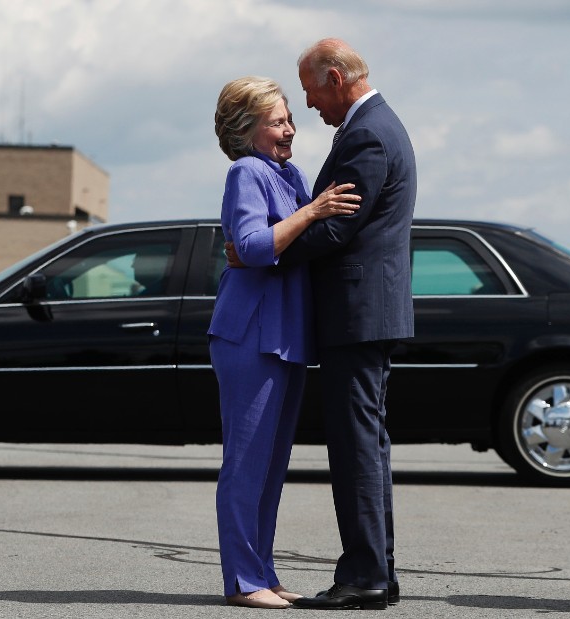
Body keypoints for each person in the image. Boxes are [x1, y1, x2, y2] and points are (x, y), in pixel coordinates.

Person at [209, 76, 360, 609]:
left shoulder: (287, 173)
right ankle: (243, 581)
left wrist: (308, 215)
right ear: (245, 130)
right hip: (250, 333)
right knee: (246, 463)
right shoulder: (246, 171)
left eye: (289, 118)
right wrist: (313, 211)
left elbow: (295, 244)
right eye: (277, 121)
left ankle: (263, 573)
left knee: (271, 467)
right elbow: (251, 247)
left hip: (286, 336)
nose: (290, 129)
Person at [278, 38, 417, 610]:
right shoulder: (379, 126)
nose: (309, 105)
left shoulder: (366, 133)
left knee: (356, 447)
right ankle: (377, 571)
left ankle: (364, 575)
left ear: (335, 78)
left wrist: (267, 246)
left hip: (356, 315)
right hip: (366, 313)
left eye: (310, 90)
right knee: (368, 446)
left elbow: (337, 227)